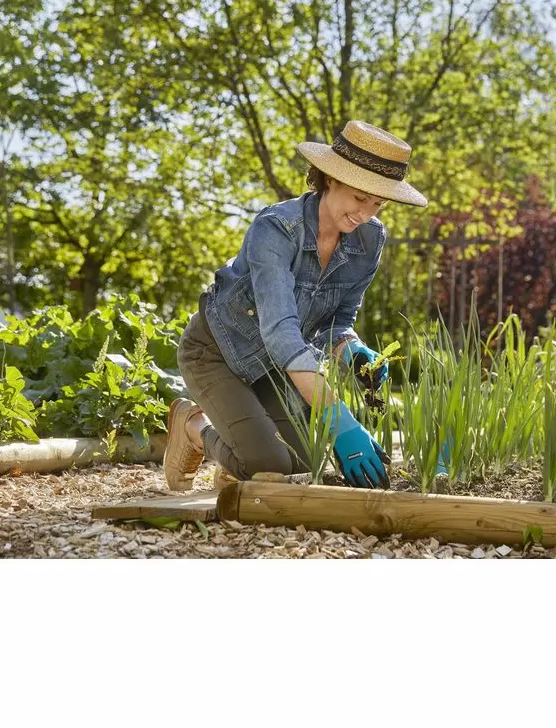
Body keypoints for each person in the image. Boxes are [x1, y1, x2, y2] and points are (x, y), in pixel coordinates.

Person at [163, 119, 428, 493]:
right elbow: (281, 333)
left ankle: (236, 461)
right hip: (216, 352)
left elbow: (339, 319)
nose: (366, 214)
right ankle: (192, 427)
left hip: (273, 367)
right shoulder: (276, 228)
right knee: (267, 463)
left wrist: (352, 350)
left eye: (378, 204)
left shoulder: (370, 239)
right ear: (331, 179)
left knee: (305, 461)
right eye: (359, 198)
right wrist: (340, 420)